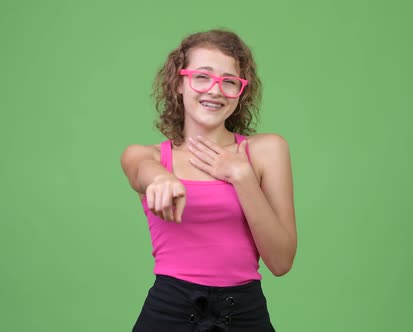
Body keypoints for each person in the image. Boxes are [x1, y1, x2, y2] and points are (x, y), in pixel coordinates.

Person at [120, 29, 297, 332]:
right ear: (179, 82)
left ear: (241, 92)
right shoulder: (145, 155)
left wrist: (241, 176)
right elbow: (142, 171)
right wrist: (163, 178)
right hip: (168, 313)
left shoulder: (267, 151)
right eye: (202, 77)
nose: (215, 91)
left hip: (245, 315)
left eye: (229, 81)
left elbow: (281, 262)